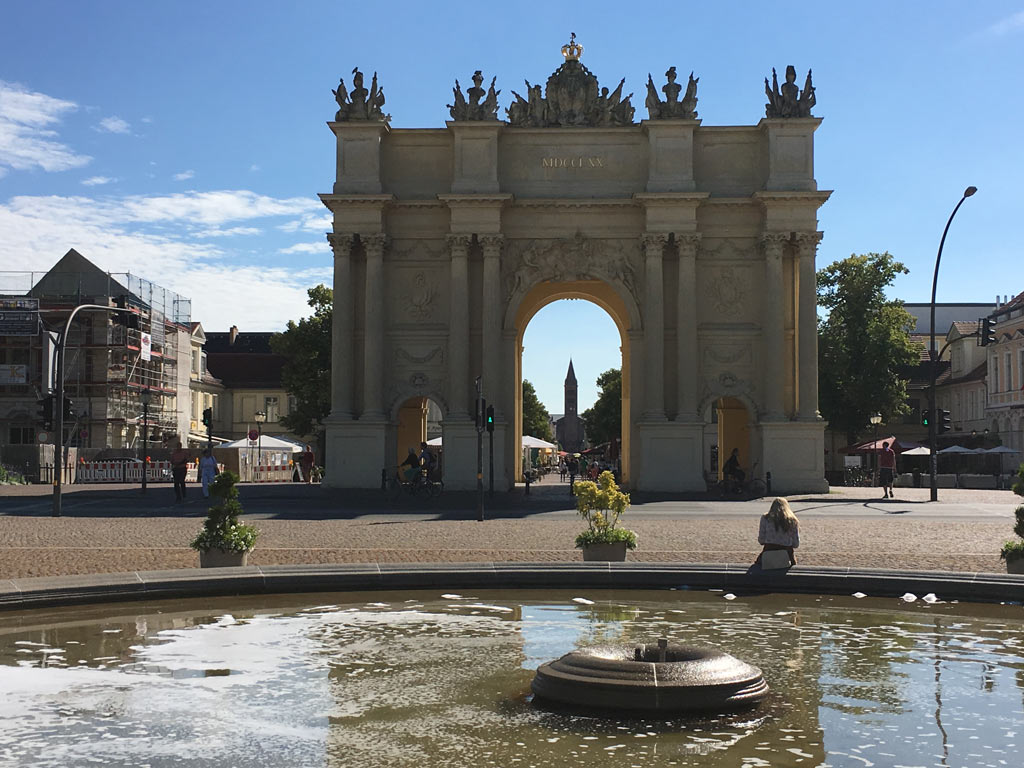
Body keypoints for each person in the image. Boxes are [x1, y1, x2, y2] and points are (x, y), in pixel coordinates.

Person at [755, 497, 800, 567]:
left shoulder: (765, 518)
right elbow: (796, 544)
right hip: (786, 553)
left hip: (769, 550)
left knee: (757, 566)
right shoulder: (793, 520)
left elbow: (761, 540)